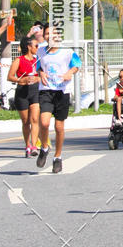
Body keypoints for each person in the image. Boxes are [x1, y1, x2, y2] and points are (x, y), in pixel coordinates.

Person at [36, 24, 81, 173]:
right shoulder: (41, 50)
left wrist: (70, 73)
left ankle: (57, 157)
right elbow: (38, 66)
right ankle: (44, 147)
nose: (49, 36)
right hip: (46, 91)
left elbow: (77, 65)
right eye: (47, 33)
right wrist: (41, 73)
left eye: (52, 33)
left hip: (62, 91)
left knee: (59, 127)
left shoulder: (67, 52)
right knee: (44, 122)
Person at [7, 35, 40, 156]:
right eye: (36, 46)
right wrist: (21, 80)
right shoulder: (19, 60)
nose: (37, 48)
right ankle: (27, 145)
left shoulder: (38, 60)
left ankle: (35, 146)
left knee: (35, 119)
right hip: (22, 91)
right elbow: (10, 76)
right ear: (29, 46)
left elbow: (43, 75)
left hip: (35, 91)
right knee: (26, 121)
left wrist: (38, 79)